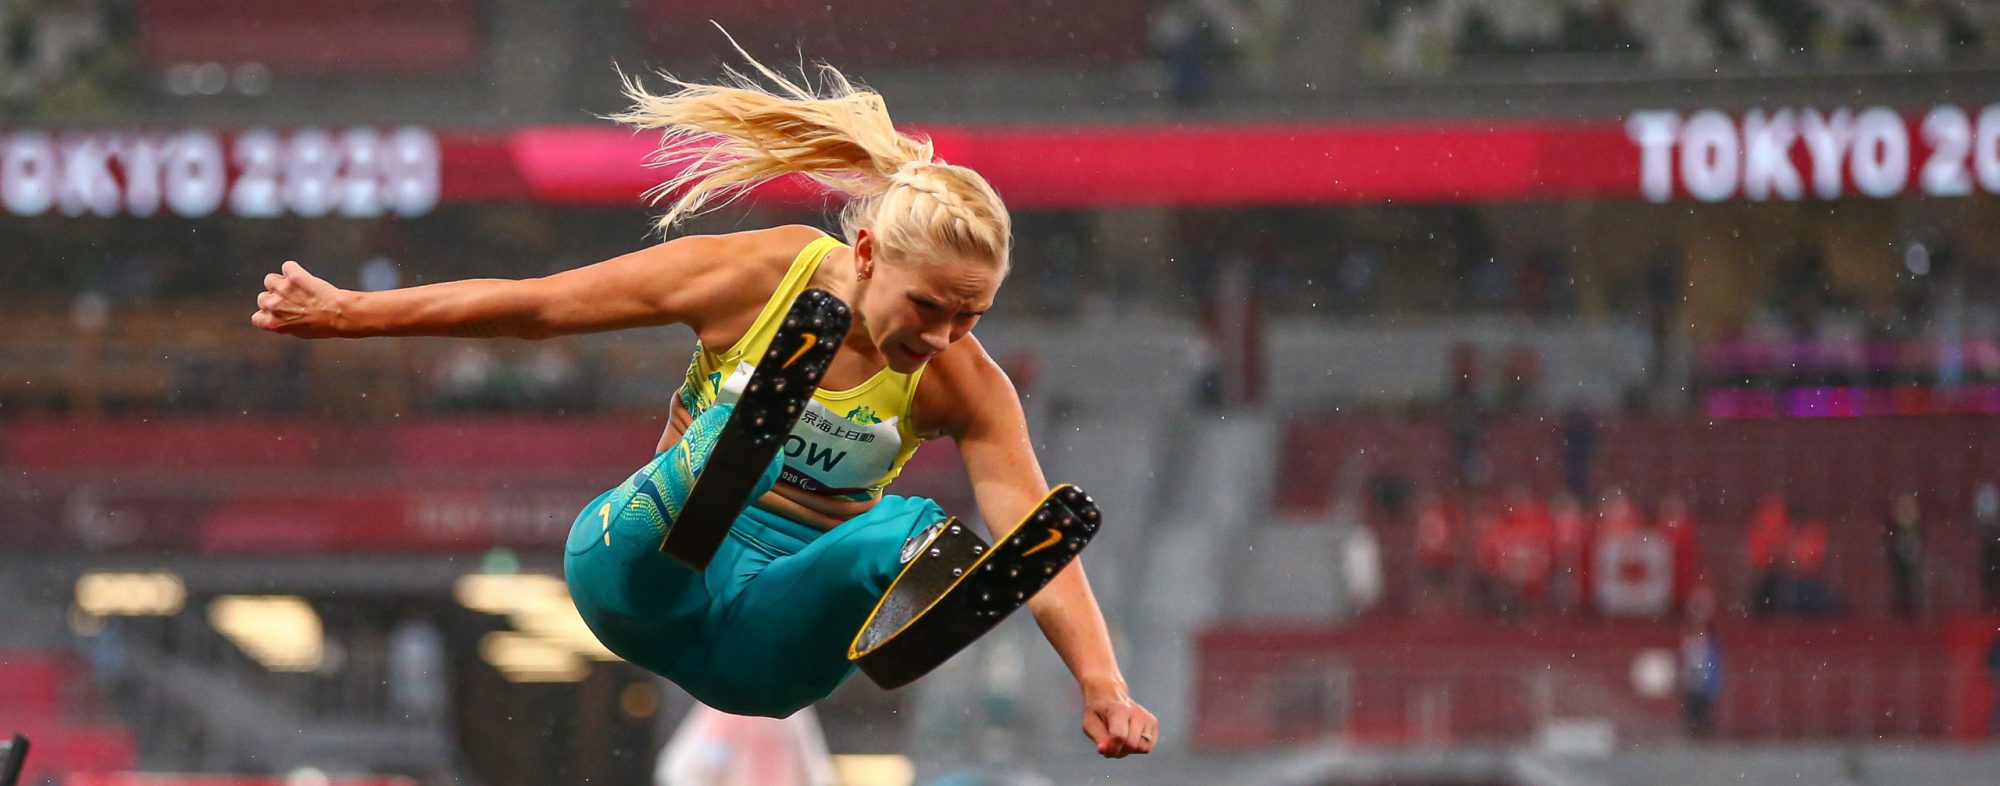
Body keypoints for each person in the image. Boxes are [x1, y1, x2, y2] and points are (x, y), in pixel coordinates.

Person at [251, 50, 1157, 757]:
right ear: (872, 252)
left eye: (972, 315)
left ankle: (895, 584)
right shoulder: (753, 276)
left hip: (762, 643)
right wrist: (349, 315)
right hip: (642, 572)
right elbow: (540, 306)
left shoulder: (966, 383)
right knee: (738, 428)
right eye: (929, 307)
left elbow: (1036, 540)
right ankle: (728, 452)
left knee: (914, 528)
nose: (943, 338)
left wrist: (1101, 683)